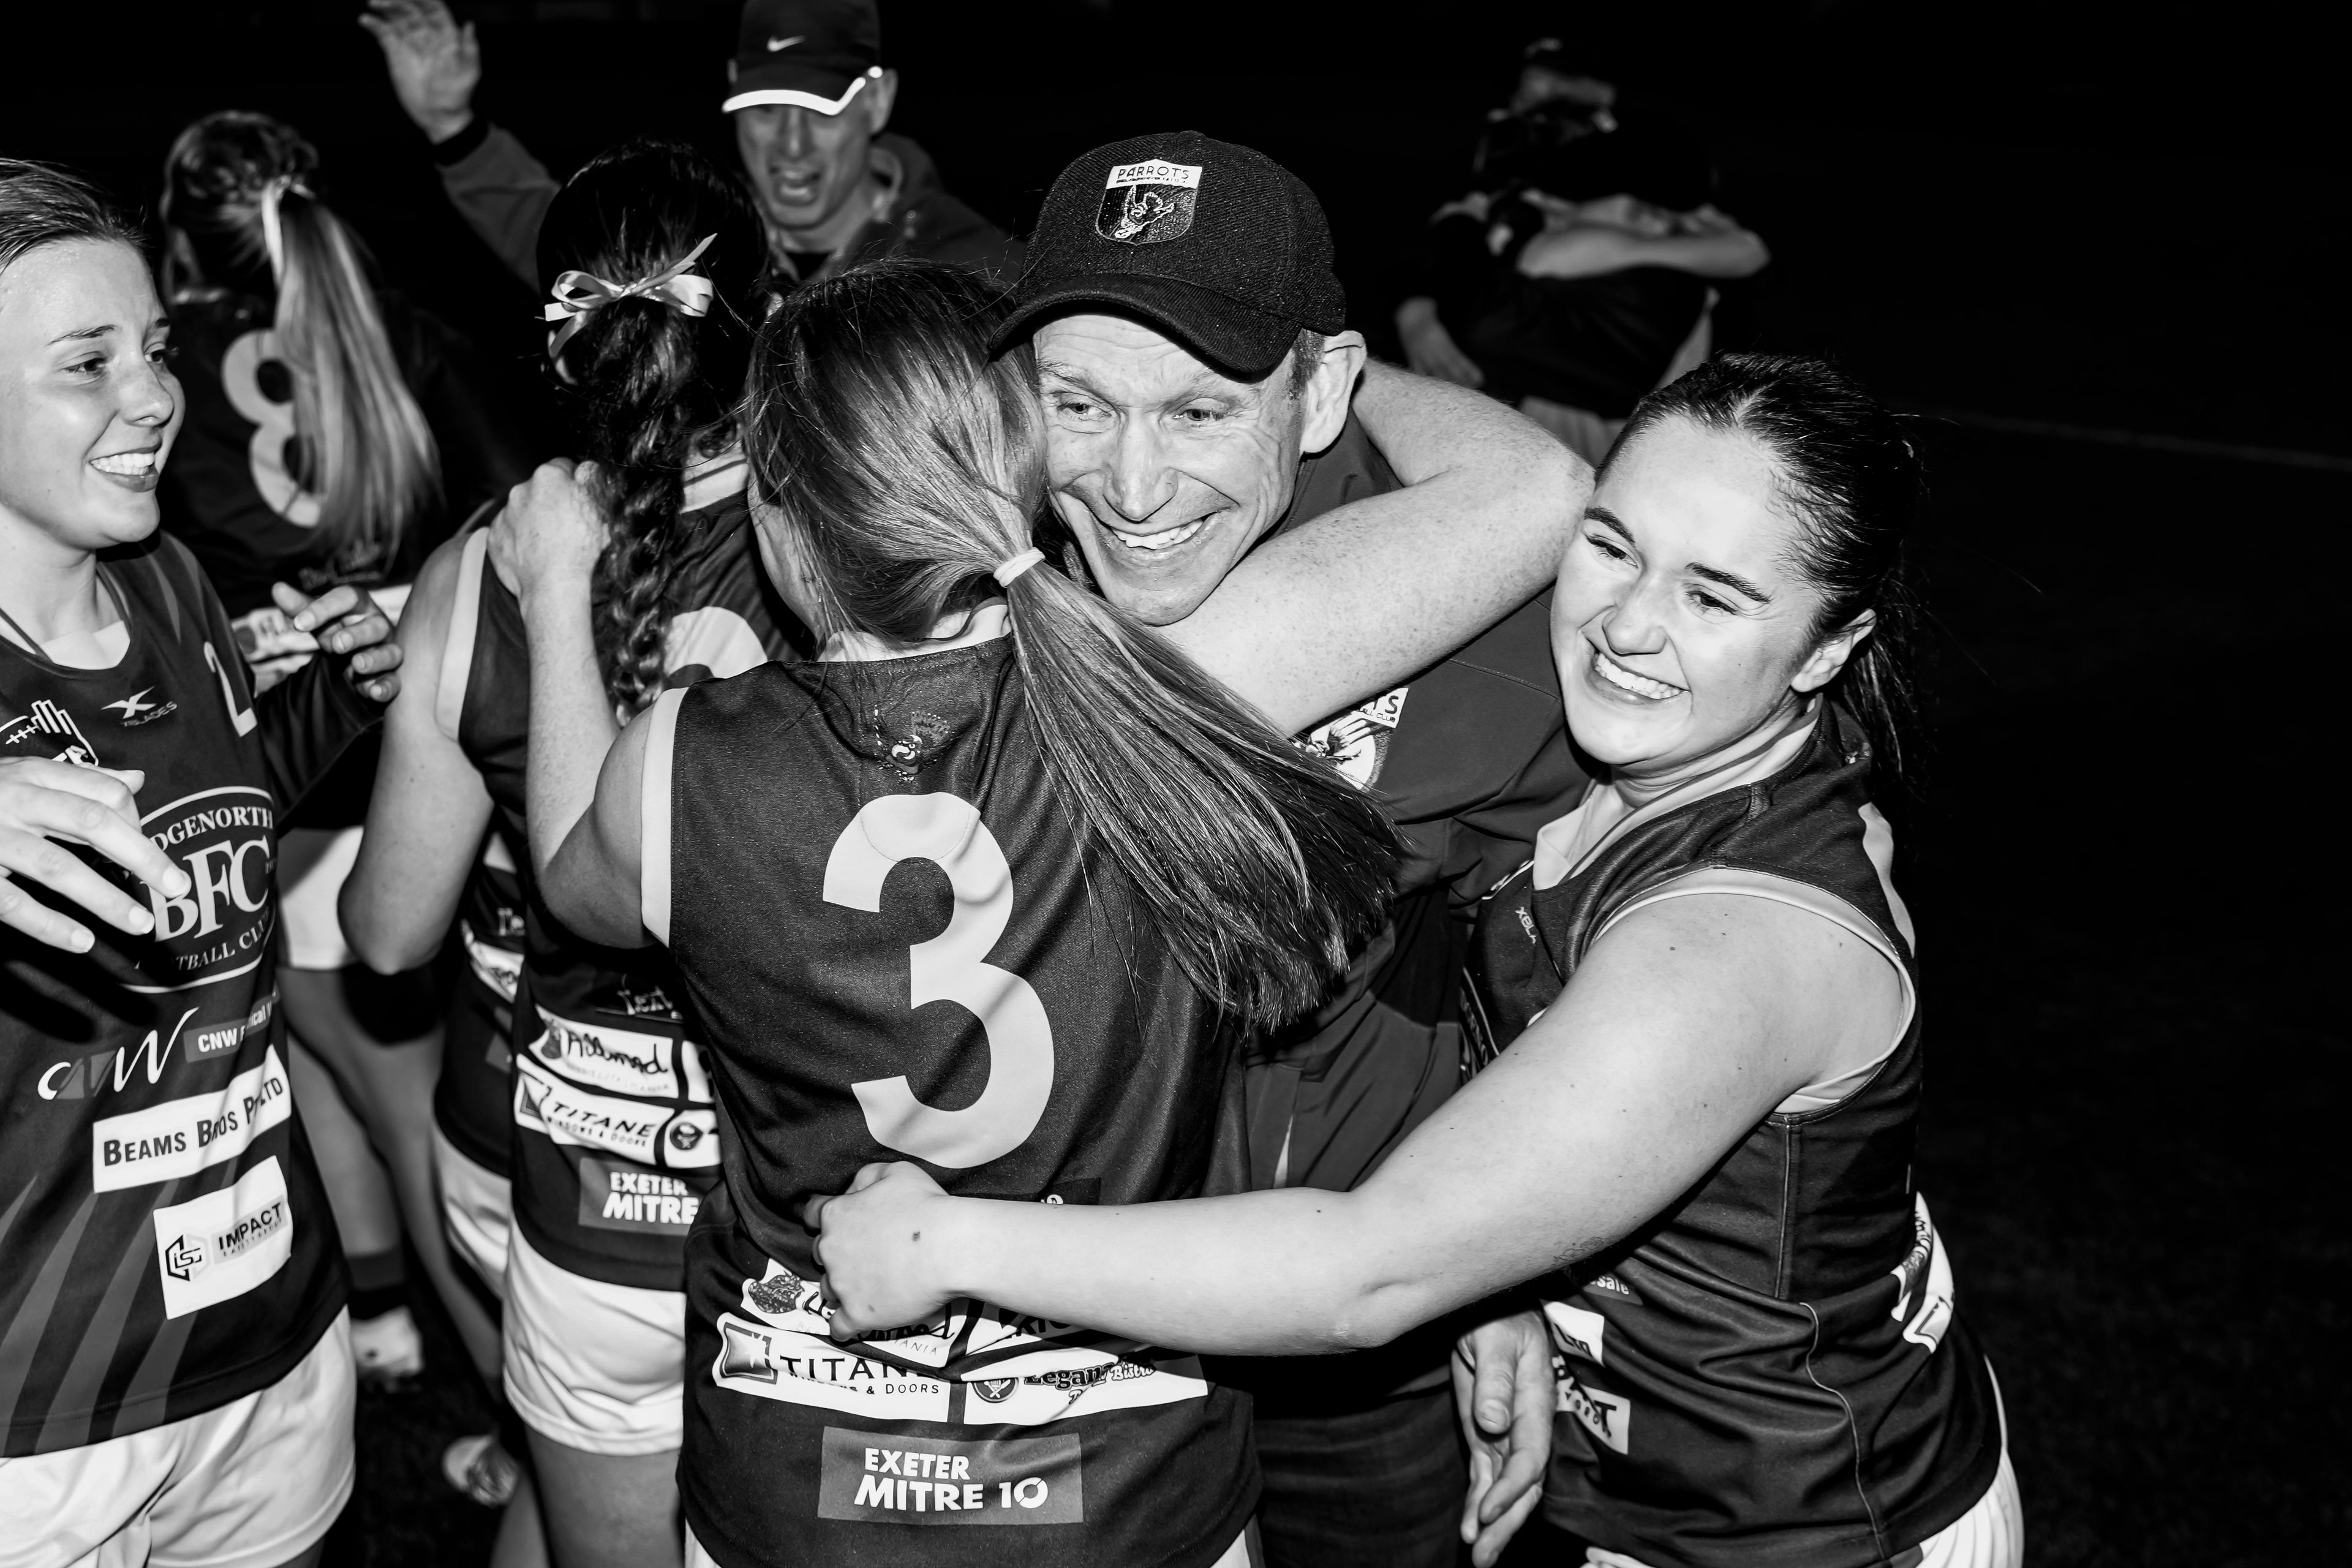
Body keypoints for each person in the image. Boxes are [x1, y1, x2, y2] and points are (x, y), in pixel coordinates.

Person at [809, 354, 2022, 1568]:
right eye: (1612, 545)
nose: (1628, 623)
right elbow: (1523, 482)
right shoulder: (1632, 773)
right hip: (1685, 1498)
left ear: (1826, 647)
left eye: (1713, 596)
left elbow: (1363, 1273)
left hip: (1815, 1525)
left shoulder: (1731, 945)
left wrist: (946, 1244)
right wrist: (1305, 350)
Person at [529, 254, 1581, 1568]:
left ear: (781, 524)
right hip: (1130, 1492)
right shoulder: (1180, 697)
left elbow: (570, 883)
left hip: (803, 1476)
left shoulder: (677, 762)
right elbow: (1535, 489)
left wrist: (552, 599)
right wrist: (1312, 370)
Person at [990, 129, 1585, 1567]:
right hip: (1055, 1330)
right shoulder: (962, 595)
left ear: (1317, 387)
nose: (1130, 484)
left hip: (1363, 1361)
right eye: (1079, 401)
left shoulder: (1482, 623)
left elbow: (1527, 968)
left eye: (1200, 411)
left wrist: (1489, 1252)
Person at [341, 137, 804, 1568]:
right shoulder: (861, 539)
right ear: (768, 315)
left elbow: (388, 933)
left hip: (583, 1195)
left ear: (562, 349)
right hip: (807, 1202)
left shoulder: (478, 568)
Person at [0, 159, 400, 1568]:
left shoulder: (169, 575)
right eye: (85, 363)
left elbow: (203, 829)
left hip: (269, 1334)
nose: (155, 396)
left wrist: (327, 707)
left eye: (154, 351)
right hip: (42, 1407)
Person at [155, 107, 540, 1408]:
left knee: (387, 1091)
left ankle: (513, 1380)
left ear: (181, 240)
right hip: (405, 760)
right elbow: (522, 505)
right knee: (323, 1055)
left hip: (276, 770)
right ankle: (384, 1312)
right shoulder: (396, 331)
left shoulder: (160, 369)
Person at [361, 0, 1020, 288]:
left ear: (877, 100)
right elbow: (564, 238)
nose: (791, 144)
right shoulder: (704, 239)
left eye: (821, 110)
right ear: (732, 87)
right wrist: (457, 131)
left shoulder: (970, 268)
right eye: (764, 108)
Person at [1395, 39, 1770, 464]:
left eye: (1549, 85)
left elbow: (1498, 301)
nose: (1526, 101)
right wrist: (1418, 304)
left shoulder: (1651, 278)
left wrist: (1466, 236)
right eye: (1525, 86)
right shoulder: (1530, 167)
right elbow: (1446, 230)